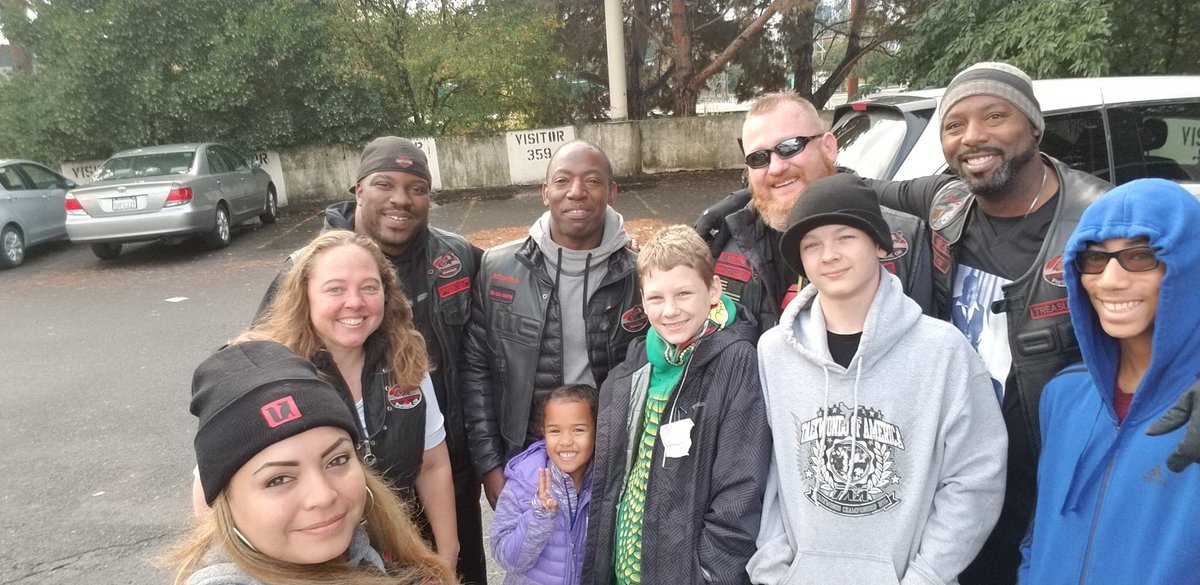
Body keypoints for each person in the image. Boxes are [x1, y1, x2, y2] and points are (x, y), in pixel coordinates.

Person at [749, 174, 1006, 584]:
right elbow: (770, 471)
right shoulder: (774, 352)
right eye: (811, 244)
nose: (828, 255)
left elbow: (975, 480)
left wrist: (926, 576)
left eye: (846, 237)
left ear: (880, 244)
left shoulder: (943, 352)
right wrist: (774, 570)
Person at [256, 136, 487, 584]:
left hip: (444, 476)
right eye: (385, 184)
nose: (401, 199)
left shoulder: (458, 258)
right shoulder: (303, 269)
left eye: (417, 187)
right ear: (358, 190)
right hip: (340, 501)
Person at [1019, 179, 1200, 584]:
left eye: (1140, 256)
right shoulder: (1063, 394)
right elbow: (1041, 534)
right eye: (1095, 259)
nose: (1110, 280)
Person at [246, 229, 460, 569]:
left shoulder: (407, 362)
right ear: (304, 296)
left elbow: (433, 466)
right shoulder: (265, 377)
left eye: (369, 287)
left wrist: (446, 556)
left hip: (396, 558)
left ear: (386, 295)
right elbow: (213, 496)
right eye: (335, 289)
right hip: (309, 569)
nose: (355, 302)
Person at [168, 340, 456, 585]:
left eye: (337, 459)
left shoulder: (367, 546)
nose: (323, 496)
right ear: (225, 500)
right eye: (278, 479)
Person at [462, 140, 647, 508]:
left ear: (612, 192)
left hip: (612, 457)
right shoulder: (498, 268)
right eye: (563, 181)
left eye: (592, 181)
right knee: (533, 559)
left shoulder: (640, 275)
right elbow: (477, 370)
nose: (576, 192)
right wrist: (489, 465)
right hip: (528, 453)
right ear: (545, 192)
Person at [583, 225, 770, 585]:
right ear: (641, 298)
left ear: (713, 289)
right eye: (656, 298)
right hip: (628, 568)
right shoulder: (639, 359)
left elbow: (739, 492)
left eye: (684, 294)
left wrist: (711, 574)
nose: (670, 311)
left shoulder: (736, 362)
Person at [694, 92, 937, 338]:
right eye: (758, 158)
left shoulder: (901, 240)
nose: (776, 167)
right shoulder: (721, 240)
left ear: (829, 147)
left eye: (789, 147)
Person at [491, 384, 597, 585]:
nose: (566, 441)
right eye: (555, 431)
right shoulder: (524, 482)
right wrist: (539, 517)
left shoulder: (605, 482)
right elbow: (507, 559)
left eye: (578, 430)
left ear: (597, 431)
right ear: (543, 433)